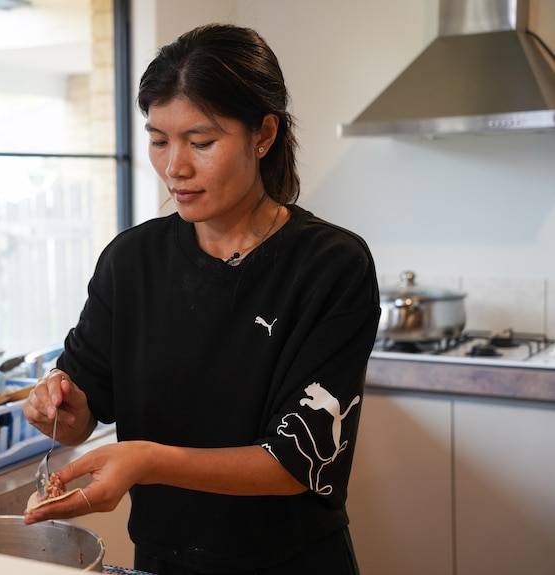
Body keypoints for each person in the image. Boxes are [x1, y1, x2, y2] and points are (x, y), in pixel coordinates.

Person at [23, 22, 381, 575]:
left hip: (292, 563)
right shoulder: (131, 260)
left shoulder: (329, 265)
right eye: (159, 140)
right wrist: (60, 408)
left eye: (201, 142)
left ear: (263, 134)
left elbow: (296, 460)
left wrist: (145, 460)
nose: (175, 167)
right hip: (163, 560)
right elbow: (80, 412)